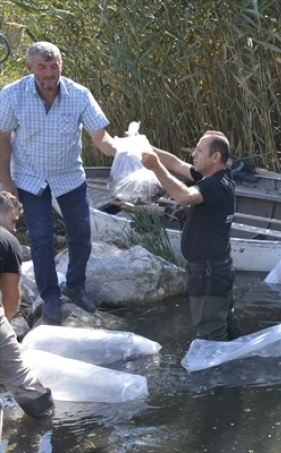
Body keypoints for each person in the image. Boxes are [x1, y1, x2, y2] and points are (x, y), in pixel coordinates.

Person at [0, 42, 118, 324]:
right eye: (42, 67)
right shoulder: (12, 94)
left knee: (81, 235)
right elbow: (3, 139)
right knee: (41, 238)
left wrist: (124, 151)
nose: (49, 73)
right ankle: (50, 295)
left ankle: (75, 286)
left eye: (54, 66)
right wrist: (6, 181)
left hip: (69, 176)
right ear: (29, 68)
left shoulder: (79, 95)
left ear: (61, 66)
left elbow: (100, 138)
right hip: (30, 177)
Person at [140, 131, 241, 341]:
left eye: (199, 150)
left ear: (216, 157)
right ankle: (238, 366)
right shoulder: (220, 177)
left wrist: (155, 167)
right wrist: (144, 145)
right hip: (220, 267)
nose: (193, 154)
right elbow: (176, 164)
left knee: (210, 332)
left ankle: (217, 373)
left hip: (208, 272)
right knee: (225, 321)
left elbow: (185, 196)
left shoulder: (213, 186)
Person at [1, 191, 54, 438]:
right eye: (13, 221)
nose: (14, 228)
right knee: (21, 378)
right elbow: (12, 298)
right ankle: (47, 429)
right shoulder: (6, 241)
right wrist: (5, 324)